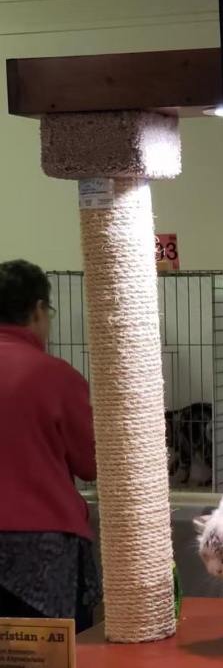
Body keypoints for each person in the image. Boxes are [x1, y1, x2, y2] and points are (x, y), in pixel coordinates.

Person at [0, 260, 100, 630]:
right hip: (43, 549)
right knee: (54, 659)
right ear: (39, 309)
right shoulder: (55, 377)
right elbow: (92, 463)